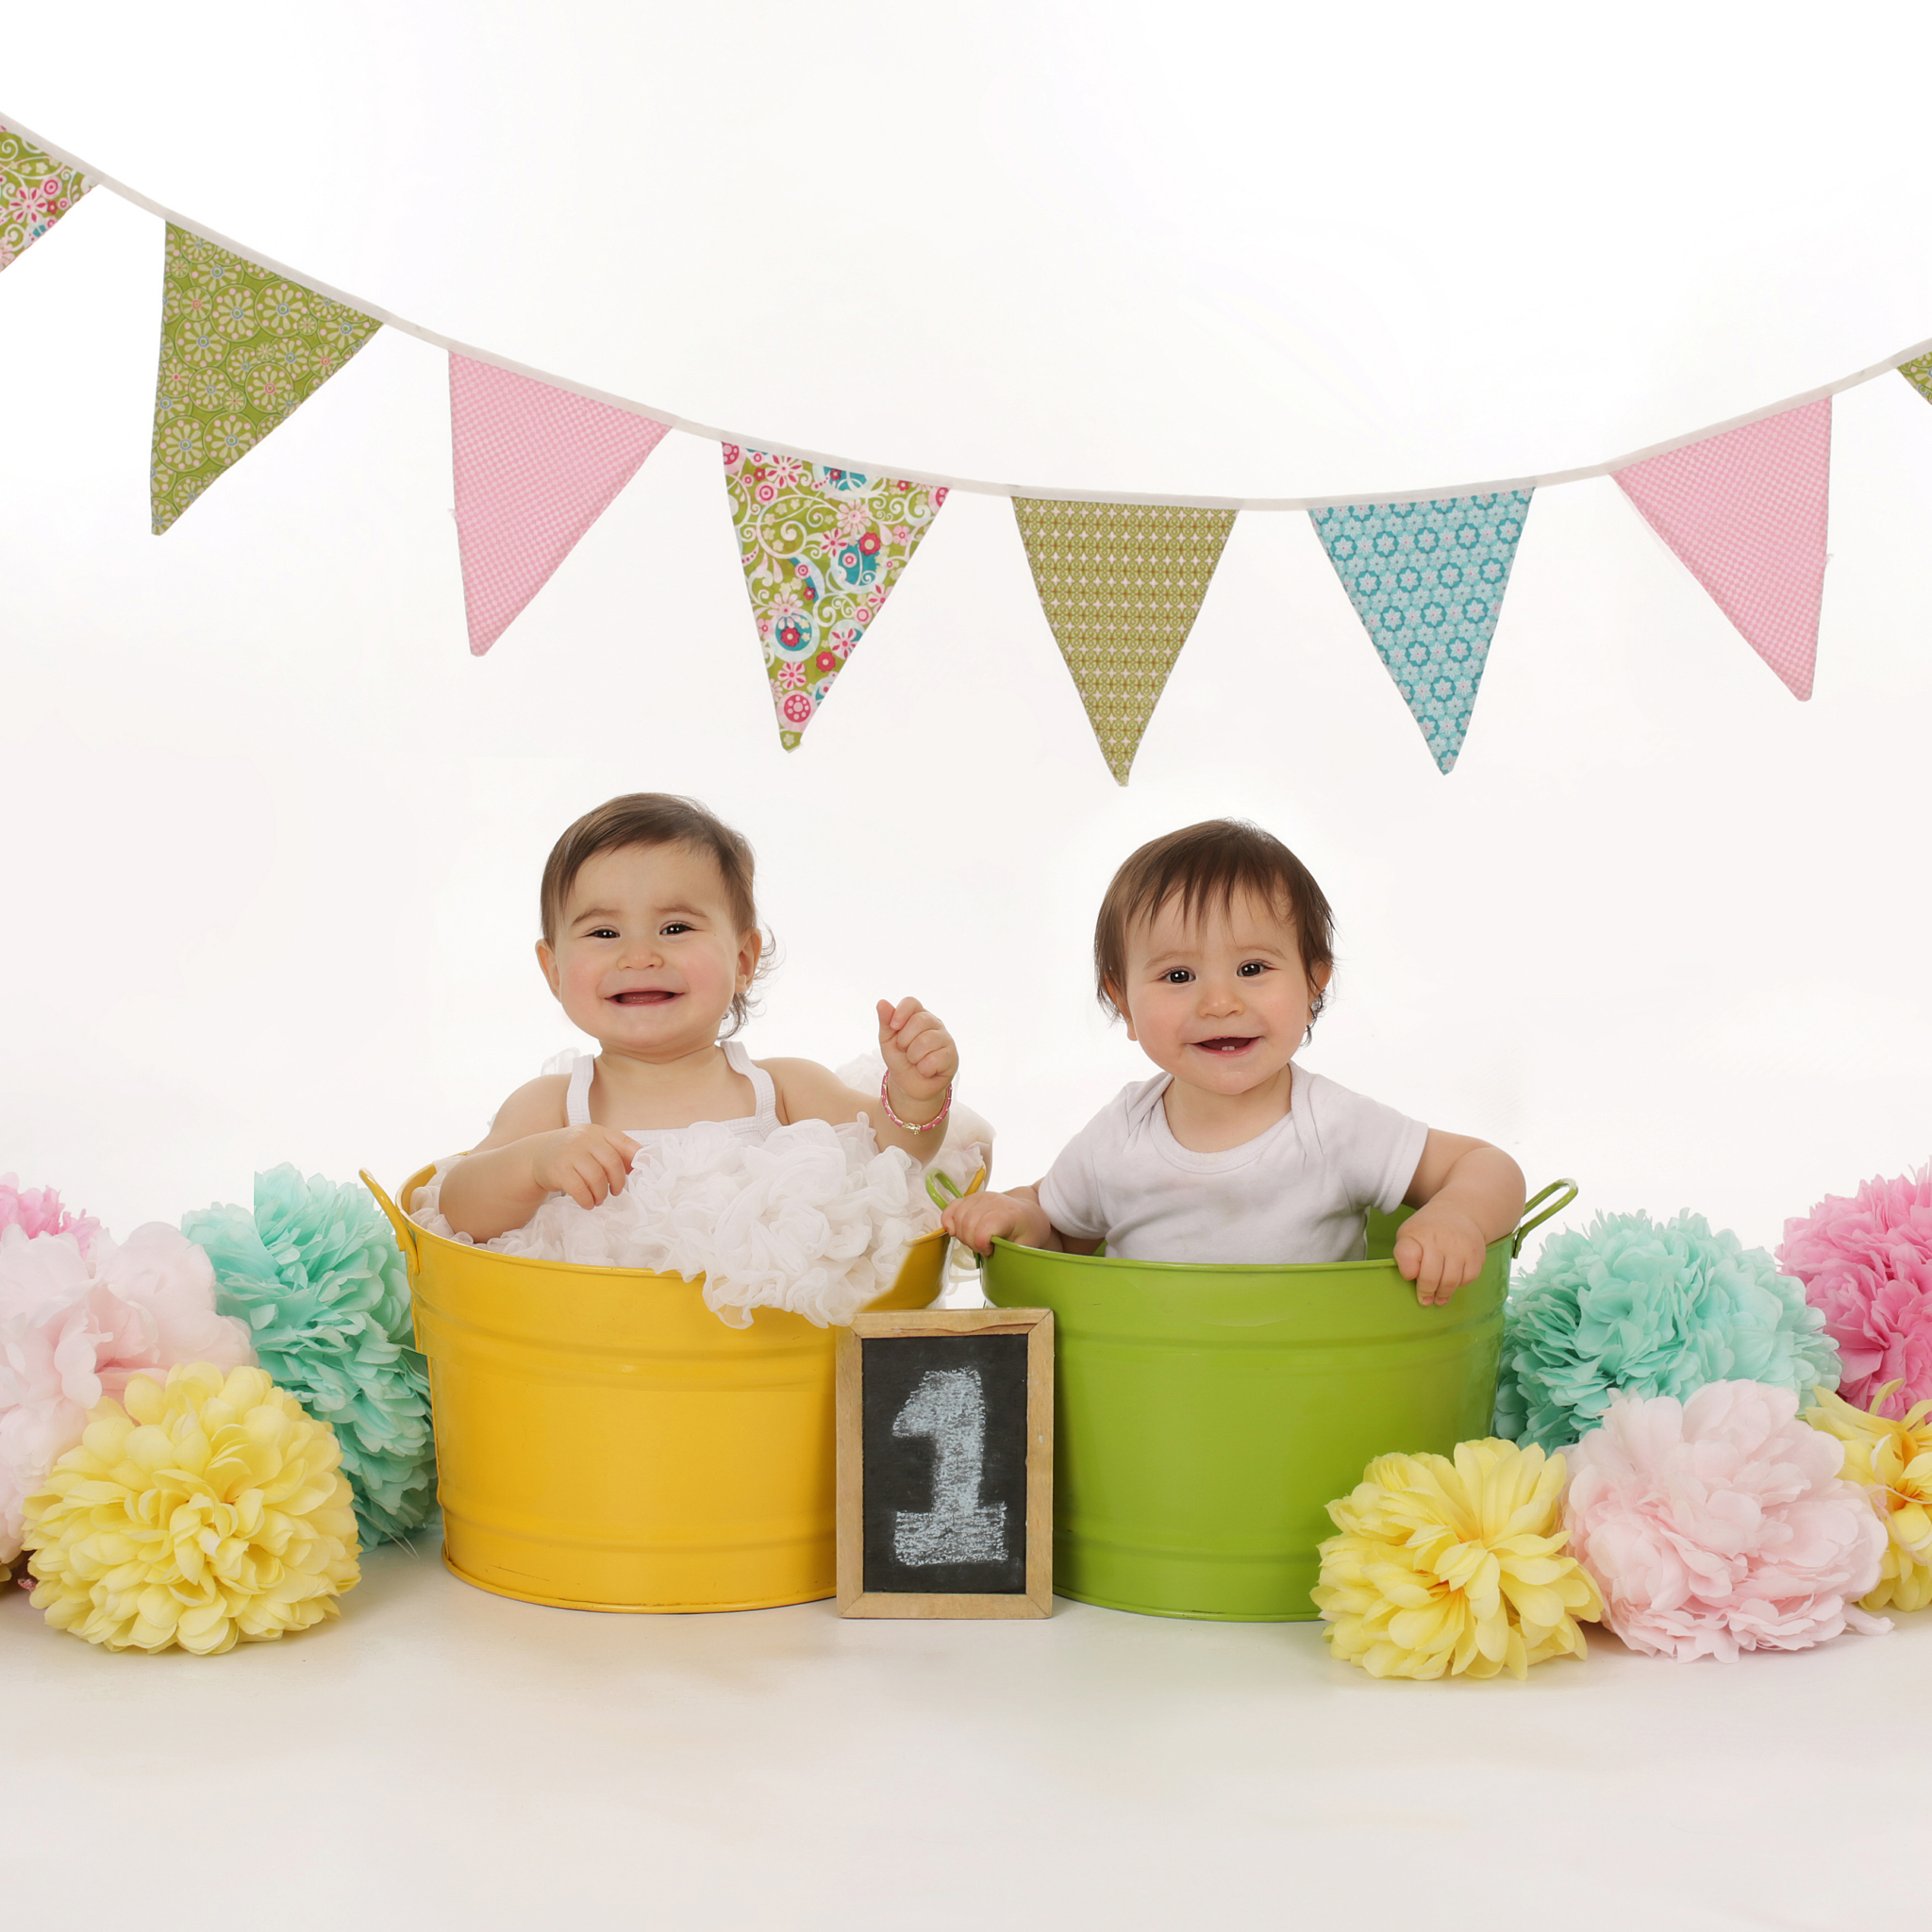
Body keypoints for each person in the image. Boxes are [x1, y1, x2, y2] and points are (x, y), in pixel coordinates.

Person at [941, 819, 1522, 1305]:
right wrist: (1014, 1217)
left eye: (1252, 969)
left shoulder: (1331, 1126)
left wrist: (1460, 1218)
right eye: (1178, 976)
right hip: (1153, 1393)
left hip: (1310, 1389)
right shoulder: (1122, 1133)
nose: (1220, 1003)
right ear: (1122, 1000)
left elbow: (1486, 1166)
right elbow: (1058, 1231)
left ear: (1314, 980)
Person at [438, 793, 958, 1242]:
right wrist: (533, 1163)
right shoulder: (553, 1107)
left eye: (676, 928)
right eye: (603, 934)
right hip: (601, 1339)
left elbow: (896, 1158)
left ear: (742, 962)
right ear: (553, 970)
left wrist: (916, 1095)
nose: (639, 956)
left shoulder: (779, 1089)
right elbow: (455, 1206)